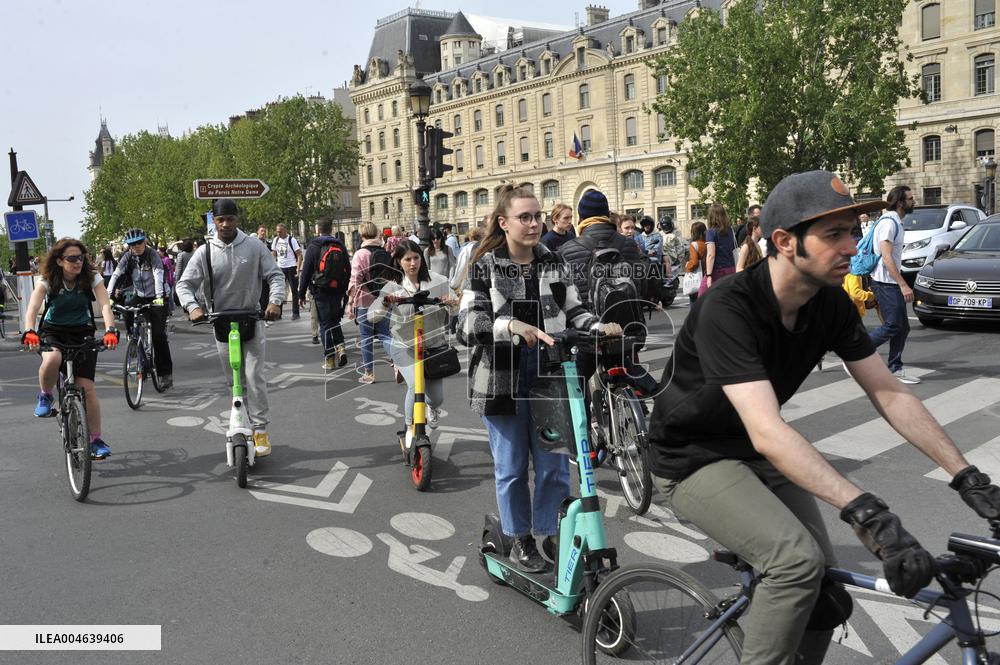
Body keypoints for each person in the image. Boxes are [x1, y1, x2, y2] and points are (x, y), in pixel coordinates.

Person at [647, 169, 1000, 665]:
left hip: (753, 450)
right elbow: (769, 431)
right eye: (834, 234)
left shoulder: (829, 303)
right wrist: (867, 512)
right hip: (692, 456)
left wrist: (968, 478)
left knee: (823, 595)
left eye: (854, 230)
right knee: (795, 564)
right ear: (785, 242)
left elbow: (889, 392)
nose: (852, 245)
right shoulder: (729, 307)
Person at [459, 185, 620, 573]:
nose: (534, 224)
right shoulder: (485, 265)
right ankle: (520, 539)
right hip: (501, 379)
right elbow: (465, 323)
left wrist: (599, 326)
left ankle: (548, 533)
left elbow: (574, 309)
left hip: (549, 375)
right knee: (512, 468)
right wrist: (509, 325)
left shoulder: (552, 259)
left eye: (537, 216)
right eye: (524, 217)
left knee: (552, 466)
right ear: (504, 222)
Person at [176, 199, 285, 457]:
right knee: (233, 381)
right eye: (220, 220)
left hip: (252, 319)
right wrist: (193, 308)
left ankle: (259, 429)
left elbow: (276, 275)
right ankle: (242, 421)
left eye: (230, 219)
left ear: (237, 220)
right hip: (221, 322)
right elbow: (184, 285)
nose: (225, 224)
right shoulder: (205, 252)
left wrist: (275, 302)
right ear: (213, 221)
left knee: (254, 376)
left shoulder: (254, 246)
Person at [21, 238, 119, 458]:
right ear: (59, 261)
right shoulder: (49, 279)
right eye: (72, 259)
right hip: (53, 331)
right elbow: (34, 306)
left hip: (82, 331)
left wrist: (111, 330)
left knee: (87, 388)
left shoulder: (91, 277)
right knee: (53, 359)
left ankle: (95, 440)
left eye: (81, 258)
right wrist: (29, 331)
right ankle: (45, 396)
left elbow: (104, 303)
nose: (78, 263)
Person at [368, 240, 457, 439]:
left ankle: (432, 409)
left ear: (421, 259)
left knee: (436, 398)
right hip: (404, 345)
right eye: (407, 259)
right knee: (416, 386)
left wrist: (451, 303)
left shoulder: (438, 280)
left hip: (433, 345)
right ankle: (410, 427)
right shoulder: (393, 286)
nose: (412, 263)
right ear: (399, 262)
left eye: (416, 258)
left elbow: (456, 307)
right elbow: (372, 316)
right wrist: (384, 303)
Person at [106, 228, 174, 390]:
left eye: (139, 243)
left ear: (144, 242)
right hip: (140, 295)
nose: (136, 246)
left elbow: (158, 275)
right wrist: (108, 296)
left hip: (158, 296)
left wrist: (158, 296)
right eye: (132, 244)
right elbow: (116, 275)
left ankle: (165, 375)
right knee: (127, 310)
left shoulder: (153, 255)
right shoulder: (127, 257)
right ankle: (133, 338)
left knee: (158, 336)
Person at [868, 185, 919, 384]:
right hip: (884, 281)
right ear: (900, 202)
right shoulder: (889, 223)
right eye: (910, 198)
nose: (913, 201)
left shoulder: (894, 221)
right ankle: (856, 353)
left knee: (903, 327)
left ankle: (895, 367)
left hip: (888, 281)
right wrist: (903, 284)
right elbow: (887, 257)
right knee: (893, 325)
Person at [297, 218, 350, 370]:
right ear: (331, 228)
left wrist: (301, 294)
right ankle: (340, 347)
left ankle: (330, 359)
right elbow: (348, 268)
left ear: (317, 229)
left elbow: (306, 272)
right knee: (335, 320)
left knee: (325, 324)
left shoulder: (314, 246)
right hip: (337, 289)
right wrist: (345, 291)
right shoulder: (339, 244)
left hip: (320, 290)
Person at [346, 222, 394, 384]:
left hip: (364, 300)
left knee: (366, 337)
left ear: (362, 236)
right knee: (384, 335)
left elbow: (355, 280)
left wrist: (350, 302)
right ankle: (397, 363)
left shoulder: (360, 254)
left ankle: (369, 373)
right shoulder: (384, 252)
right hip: (383, 299)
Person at [700, 203, 737, 296]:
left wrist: (708, 275)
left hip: (717, 271)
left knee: (702, 297)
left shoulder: (711, 232)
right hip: (731, 268)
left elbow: (711, 255)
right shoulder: (730, 231)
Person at [271, 223, 303, 320]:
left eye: (280, 232)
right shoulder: (276, 240)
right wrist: (273, 267)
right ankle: (278, 314)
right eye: (277, 232)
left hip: (291, 267)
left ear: (285, 231)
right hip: (280, 268)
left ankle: (295, 313)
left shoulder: (291, 240)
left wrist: (298, 270)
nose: (278, 233)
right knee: (279, 290)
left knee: (294, 291)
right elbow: (274, 254)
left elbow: (299, 255)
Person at [685, 221, 707, 304]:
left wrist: (687, 267)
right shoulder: (707, 243)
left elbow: (694, 262)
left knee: (694, 303)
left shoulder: (694, 245)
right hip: (706, 275)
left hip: (697, 277)